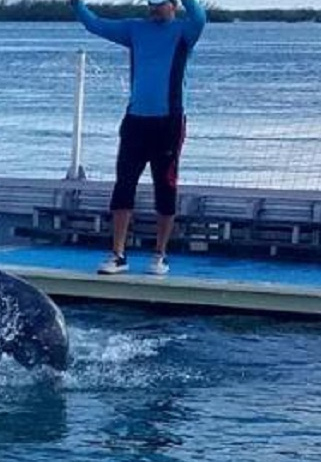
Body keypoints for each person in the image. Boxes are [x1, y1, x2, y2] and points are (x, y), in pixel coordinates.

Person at [70, 0, 207, 276]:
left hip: (169, 121)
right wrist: (77, 3)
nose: (153, 9)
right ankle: (118, 255)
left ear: (173, 5)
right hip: (135, 120)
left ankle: (159, 254)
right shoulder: (134, 29)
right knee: (124, 184)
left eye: (159, 4)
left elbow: (199, 15)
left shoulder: (185, 31)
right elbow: (93, 24)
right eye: (150, 4)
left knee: (165, 187)